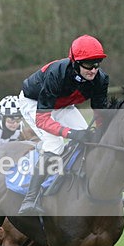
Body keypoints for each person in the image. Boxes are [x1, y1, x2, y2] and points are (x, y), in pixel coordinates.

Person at [16, 34, 109, 215]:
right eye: (89, 65)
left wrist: (100, 133)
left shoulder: (101, 80)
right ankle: (30, 198)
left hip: (64, 105)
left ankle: (103, 187)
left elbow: (101, 116)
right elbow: (43, 119)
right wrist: (71, 133)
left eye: (97, 64)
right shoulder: (56, 73)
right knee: (55, 144)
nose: (93, 70)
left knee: (92, 140)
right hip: (33, 103)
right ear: (75, 63)